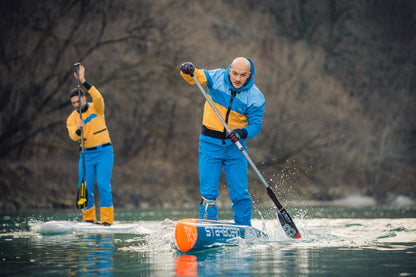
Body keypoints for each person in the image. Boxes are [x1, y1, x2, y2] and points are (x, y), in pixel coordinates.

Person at [179, 57, 265, 226]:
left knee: (240, 193)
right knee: (208, 192)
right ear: (229, 70)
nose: (238, 78)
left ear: (250, 74)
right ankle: (208, 226)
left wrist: (241, 132)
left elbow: (256, 126)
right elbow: (195, 76)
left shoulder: (256, 97)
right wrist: (186, 70)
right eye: (234, 73)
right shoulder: (216, 77)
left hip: (235, 147)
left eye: (243, 75)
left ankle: (244, 227)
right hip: (209, 144)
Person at [66, 64, 114, 226]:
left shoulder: (97, 108)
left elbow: (98, 96)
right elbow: (73, 135)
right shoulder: (72, 118)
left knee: (102, 184)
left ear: (84, 98)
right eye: (73, 103)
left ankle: (107, 220)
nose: (76, 105)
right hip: (86, 155)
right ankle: (89, 219)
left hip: (104, 152)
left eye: (78, 101)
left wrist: (83, 81)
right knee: (85, 186)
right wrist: (79, 130)